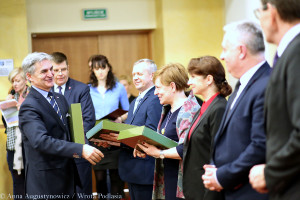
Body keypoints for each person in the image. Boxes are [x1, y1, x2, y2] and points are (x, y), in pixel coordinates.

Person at [19, 52, 103, 200]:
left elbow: (69, 133)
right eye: (44, 71)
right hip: (46, 182)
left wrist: (95, 139)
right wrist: (80, 149)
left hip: (67, 178)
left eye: (51, 69)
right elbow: (41, 141)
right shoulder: (29, 106)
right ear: (29, 77)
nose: (51, 74)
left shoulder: (59, 98)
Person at [202, 21, 271, 200]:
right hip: (232, 189)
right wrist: (216, 168)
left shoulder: (266, 85)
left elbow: (260, 145)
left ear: (241, 51)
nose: (222, 56)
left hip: (251, 191)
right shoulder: (241, 85)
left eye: (225, 49)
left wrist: (222, 176)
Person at [249, 1, 300, 199]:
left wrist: (271, 172)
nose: (260, 20)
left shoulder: (296, 52)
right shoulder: (289, 52)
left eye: (258, 13)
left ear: (271, 11)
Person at [133, 63, 200, 200]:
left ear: (172, 86)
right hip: (168, 177)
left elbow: (185, 149)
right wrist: (145, 148)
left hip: (182, 181)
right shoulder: (168, 109)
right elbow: (166, 141)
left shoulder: (190, 110)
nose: (155, 92)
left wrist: (158, 153)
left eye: (158, 88)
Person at [101, 59, 162, 200]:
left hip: (144, 169)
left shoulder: (155, 98)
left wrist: (118, 139)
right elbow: (130, 131)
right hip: (132, 169)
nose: (135, 78)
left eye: (140, 74)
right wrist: (109, 141)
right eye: (134, 74)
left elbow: (150, 133)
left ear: (152, 75)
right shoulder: (135, 101)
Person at [182, 56, 232, 200]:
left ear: (209, 79)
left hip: (207, 191)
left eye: (193, 77)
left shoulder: (219, 108)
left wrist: (210, 194)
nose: (189, 82)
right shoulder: (205, 106)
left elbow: (217, 156)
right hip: (195, 187)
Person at [51, 52, 96, 200]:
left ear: (68, 68)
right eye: (56, 70)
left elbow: (88, 120)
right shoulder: (45, 91)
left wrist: (74, 146)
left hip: (79, 152)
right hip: (55, 154)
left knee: (82, 195)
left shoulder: (81, 89)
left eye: (63, 69)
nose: (60, 74)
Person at [88, 55, 129, 199]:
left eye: (103, 68)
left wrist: (120, 118)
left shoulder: (119, 88)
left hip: (115, 136)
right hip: (96, 137)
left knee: (115, 177)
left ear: (108, 68)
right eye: (96, 68)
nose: (100, 72)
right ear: (92, 70)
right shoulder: (87, 89)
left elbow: (127, 111)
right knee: (99, 179)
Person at [2, 68, 29, 200]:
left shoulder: (32, 95)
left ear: (26, 79)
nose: (15, 84)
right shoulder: (12, 97)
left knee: (30, 181)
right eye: (13, 81)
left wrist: (21, 109)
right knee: (17, 181)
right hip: (13, 145)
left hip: (29, 146)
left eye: (18, 80)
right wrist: (7, 106)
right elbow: (8, 124)